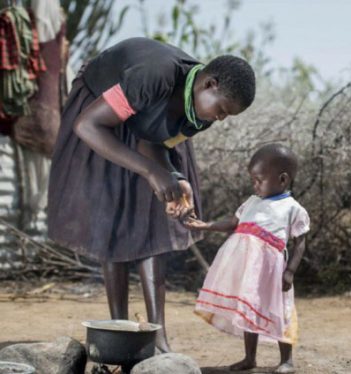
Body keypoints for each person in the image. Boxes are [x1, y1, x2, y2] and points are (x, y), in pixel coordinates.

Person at [47, 37, 256, 354]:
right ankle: (117, 332)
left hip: (136, 113)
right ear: (209, 84)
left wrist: (174, 177)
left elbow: (153, 142)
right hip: (100, 110)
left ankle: (157, 336)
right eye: (223, 110)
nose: (221, 119)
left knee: (154, 222)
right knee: (111, 216)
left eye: (228, 116)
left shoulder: (200, 110)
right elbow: (88, 125)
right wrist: (149, 171)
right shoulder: (154, 75)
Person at [183, 143, 310, 374]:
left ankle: (286, 361)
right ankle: (249, 359)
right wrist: (205, 225)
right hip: (246, 269)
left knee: (281, 311)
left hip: (272, 272)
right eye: (253, 179)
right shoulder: (251, 202)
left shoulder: (293, 208)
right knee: (248, 309)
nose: (255, 184)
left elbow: (300, 243)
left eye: (259, 180)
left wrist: (290, 271)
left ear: (282, 180)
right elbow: (233, 224)